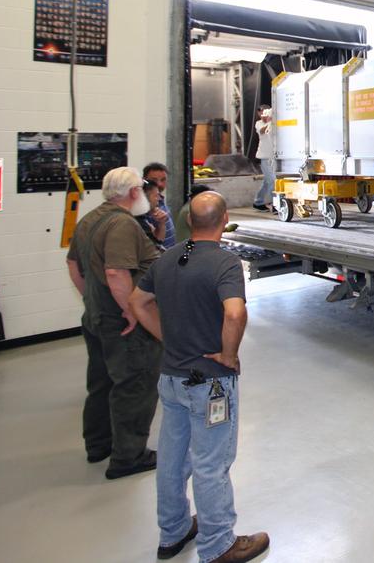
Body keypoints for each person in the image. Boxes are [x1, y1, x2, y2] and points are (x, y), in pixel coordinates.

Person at [130, 192, 270, 563]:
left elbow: (137, 303)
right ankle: (218, 544)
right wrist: (228, 354)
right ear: (224, 220)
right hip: (210, 384)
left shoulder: (167, 259)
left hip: (172, 379)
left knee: (173, 460)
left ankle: (173, 532)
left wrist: (167, 337)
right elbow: (235, 314)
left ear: (190, 222)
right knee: (211, 464)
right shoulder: (224, 263)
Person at [65, 166, 162, 479]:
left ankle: (98, 445)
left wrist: (92, 302)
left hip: (96, 317)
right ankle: (129, 456)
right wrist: (132, 310)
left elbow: (74, 267)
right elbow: (116, 273)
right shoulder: (122, 224)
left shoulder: (90, 220)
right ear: (133, 192)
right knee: (134, 384)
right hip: (122, 323)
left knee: (102, 381)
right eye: (143, 190)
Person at [143, 162, 177, 249]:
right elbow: (154, 241)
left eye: (163, 180)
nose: (159, 184)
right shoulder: (145, 206)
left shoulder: (160, 199)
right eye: (154, 180)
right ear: (144, 180)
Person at [251, 107, 275, 213]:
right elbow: (262, 131)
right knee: (272, 181)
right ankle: (276, 204)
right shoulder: (259, 123)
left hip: (273, 157)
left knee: (267, 181)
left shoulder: (275, 122)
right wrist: (269, 122)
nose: (263, 114)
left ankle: (258, 202)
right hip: (264, 156)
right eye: (261, 112)